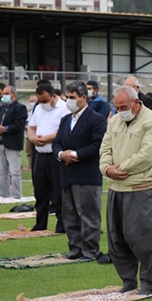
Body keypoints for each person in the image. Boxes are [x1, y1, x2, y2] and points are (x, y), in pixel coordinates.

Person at [99, 85, 152, 294]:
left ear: (136, 103)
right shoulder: (114, 121)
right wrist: (107, 169)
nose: (120, 111)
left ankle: (147, 282)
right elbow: (105, 148)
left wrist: (121, 168)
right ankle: (128, 280)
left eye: (124, 106)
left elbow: (147, 155)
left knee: (142, 237)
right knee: (116, 238)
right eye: (117, 107)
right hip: (116, 188)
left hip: (140, 188)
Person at [53, 82, 107, 260]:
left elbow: (97, 145)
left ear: (83, 98)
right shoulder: (65, 119)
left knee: (89, 215)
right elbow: (57, 142)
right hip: (67, 173)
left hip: (86, 174)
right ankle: (75, 248)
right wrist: (61, 154)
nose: (68, 101)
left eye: (72, 98)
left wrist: (74, 155)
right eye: (67, 97)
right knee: (70, 215)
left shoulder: (96, 119)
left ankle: (90, 250)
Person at [27, 83, 68, 232]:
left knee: (58, 192)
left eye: (45, 100)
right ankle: (40, 223)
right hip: (40, 155)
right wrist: (32, 138)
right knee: (40, 191)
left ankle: (62, 224)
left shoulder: (64, 108)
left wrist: (46, 138)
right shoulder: (38, 108)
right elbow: (31, 127)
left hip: (55, 156)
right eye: (40, 100)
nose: (42, 104)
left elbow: (63, 131)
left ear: (54, 96)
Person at [0, 86, 27, 198]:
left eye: (7, 93)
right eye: (3, 93)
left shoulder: (20, 107)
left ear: (14, 94)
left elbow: (19, 125)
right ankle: (4, 195)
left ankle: (16, 195)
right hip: (0, 143)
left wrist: (6, 129)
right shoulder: (1, 108)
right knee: (2, 173)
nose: (4, 96)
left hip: (13, 143)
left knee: (14, 172)